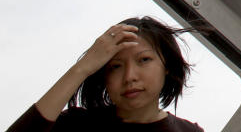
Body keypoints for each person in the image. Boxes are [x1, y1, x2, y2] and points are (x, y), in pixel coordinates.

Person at [6, 17, 203, 131]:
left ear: (166, 65)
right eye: (116, 66)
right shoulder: (76, 124)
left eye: (144, 60)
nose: (129, 77)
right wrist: (82, 68)